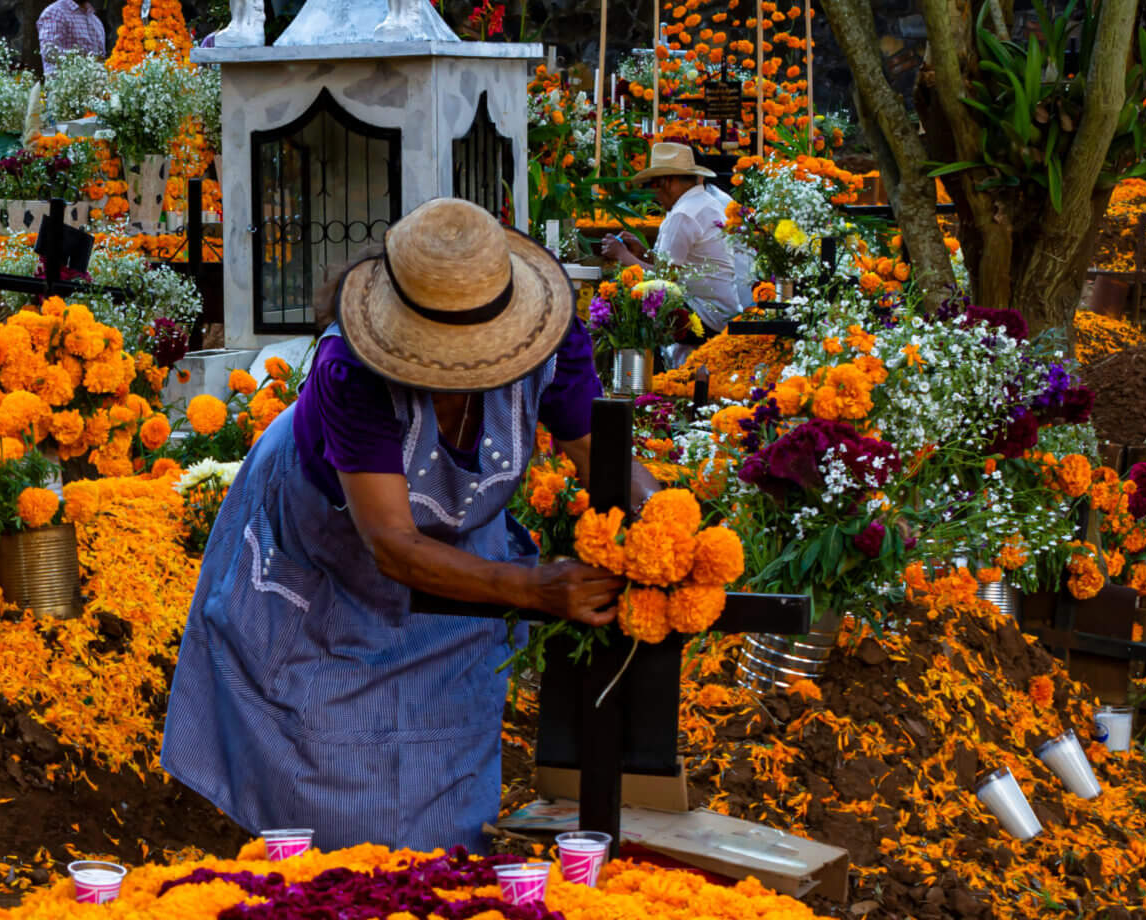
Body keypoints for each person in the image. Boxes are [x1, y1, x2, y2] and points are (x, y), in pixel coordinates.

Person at [161, 199, 645, 855]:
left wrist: (670, 533)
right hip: (332, 546)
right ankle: (332, 918)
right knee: (323, 746)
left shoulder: (549, 341)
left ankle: (441, 892)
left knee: (448, 737)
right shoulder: (352, 371)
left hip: (461, 551)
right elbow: (392, 544)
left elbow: (604, 458)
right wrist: (532, 589)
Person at [599, 142, 753, 337]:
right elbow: (677, 265)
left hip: (705, 315)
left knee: (619, 303)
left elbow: (663, 279)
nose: (654, 196)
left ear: (666, 182)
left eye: (653, 185)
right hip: (721, 310)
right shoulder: (703, 202)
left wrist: (623, 256)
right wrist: (644, 253)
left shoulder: (684, 213)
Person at [37, 0, 106, 65]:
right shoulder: (55, 12)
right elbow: (49, 53)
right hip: (64, 77)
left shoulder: (96, 21)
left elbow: (101, 59)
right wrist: (86, 61)